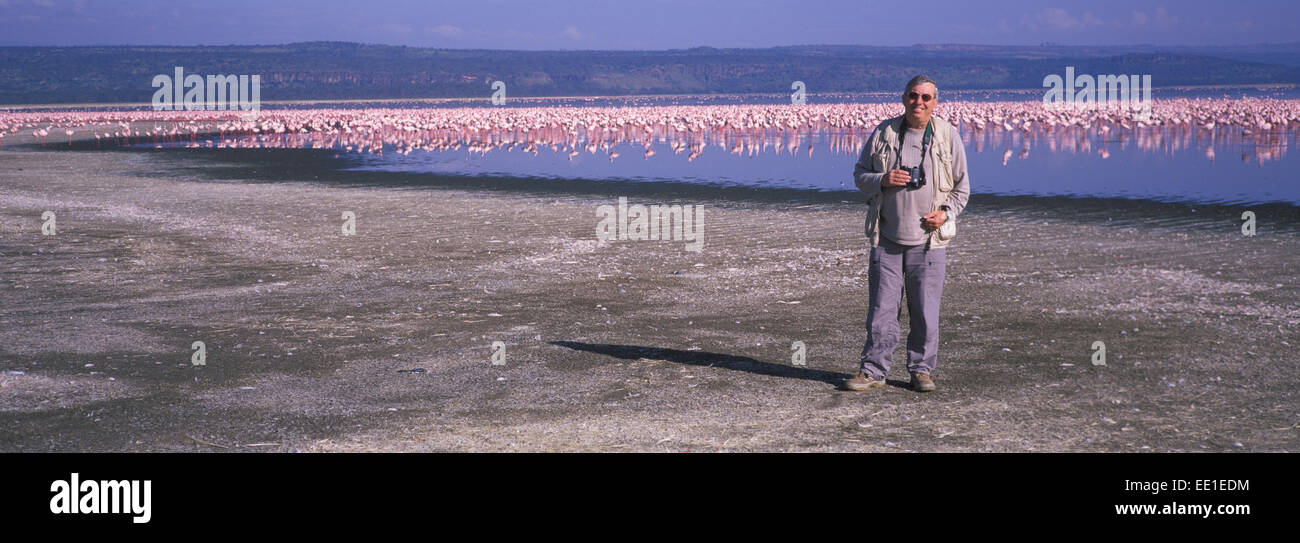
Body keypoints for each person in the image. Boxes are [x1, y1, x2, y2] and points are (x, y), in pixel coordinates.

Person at [845, 74, 970, 393]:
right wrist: (883, 179)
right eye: (914, 96)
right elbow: (860, 175)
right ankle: (873, 370)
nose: (919, 102)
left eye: (926, 97)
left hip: (929, 243)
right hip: (886, 239)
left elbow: (962, 189)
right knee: (881, 310)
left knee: (926, 311)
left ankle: (921, 370)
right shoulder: (884, 132)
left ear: (935, 102)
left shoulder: (947, 135)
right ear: (904, 98)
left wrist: (944, 214)